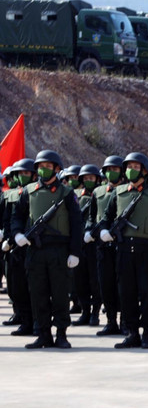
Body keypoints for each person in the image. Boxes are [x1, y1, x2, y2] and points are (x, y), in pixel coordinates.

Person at [11, 150, 83, 349]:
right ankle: (43, 333)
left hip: (59, 251)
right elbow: (17, 216)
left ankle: (61, 333)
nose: (43, 170)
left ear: (57, 169)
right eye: (41, 167)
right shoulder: (28, 191)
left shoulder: (67, 194)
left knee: (60, 294)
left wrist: (75, 252)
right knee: (38, 294)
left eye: (48, 166)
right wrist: (17, 233)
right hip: (35, 250)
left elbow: (77, 224)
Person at [101, 153, 148, 350]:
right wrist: (104, 230)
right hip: (124, 250)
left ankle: (147, 333)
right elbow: (107, 216)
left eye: (135, 166)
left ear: (145, 170)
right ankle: (132, 332)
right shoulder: (119, 192)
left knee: (147, 294)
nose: (131, 169)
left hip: (147, 251)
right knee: (126, 293)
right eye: (129, 166)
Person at [89, 155, 125, 337]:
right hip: (103, 246)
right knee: (106, 284)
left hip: (123, 245)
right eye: (109, 170)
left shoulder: (129, 191)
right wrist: (90, 231)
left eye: (115, 169)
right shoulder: (98, 192)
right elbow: (92, 216)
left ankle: (125, 321)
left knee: (125, 286)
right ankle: (111, 321)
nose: (112, 173)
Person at [3, 159, 37, 336]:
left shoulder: (39, 193)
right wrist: (8, 238)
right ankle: (25, 321)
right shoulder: (11, 196)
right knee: (18, 287)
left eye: (26, 173)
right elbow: (8, 219)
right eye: (20, 174)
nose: (23, 176)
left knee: (37, 288)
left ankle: (39, 323)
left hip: (35, 246)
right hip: (16, 247)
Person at [74, 164, 103, 327]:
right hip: (79, 244)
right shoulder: (75, 196)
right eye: (85, 179)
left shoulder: (101, 195)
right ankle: (85, 311)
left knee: (95, 280)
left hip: (95, 244)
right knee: (80, 280)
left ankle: (95, 313)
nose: (88, 181)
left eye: (91, 178)